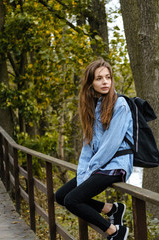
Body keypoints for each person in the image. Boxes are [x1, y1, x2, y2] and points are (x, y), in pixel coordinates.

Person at [55, 58, 133, 240]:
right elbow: (88, 146)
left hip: (116, 164)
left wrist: (91, 169)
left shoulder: (120, 105)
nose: (105, 82)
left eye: (108, 77)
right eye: (99, 78)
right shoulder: (93, 106)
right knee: (60, 196)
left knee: (72, 200)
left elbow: (111, 145)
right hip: (100, 166)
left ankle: (115, 232)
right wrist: (84, 171)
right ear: (91, 83)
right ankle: (112, 209)